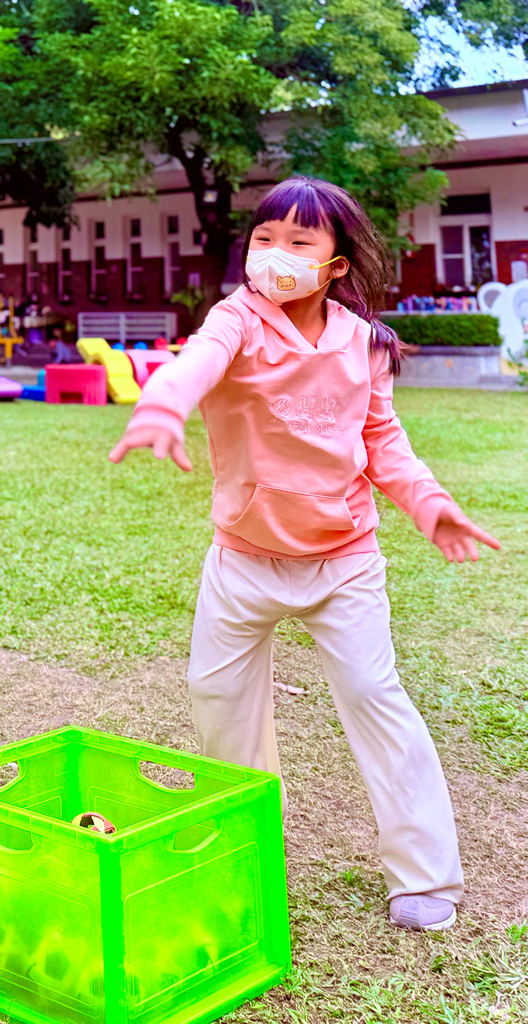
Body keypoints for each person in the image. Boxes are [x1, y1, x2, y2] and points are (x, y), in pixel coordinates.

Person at [109, 177, 500, 934]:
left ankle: (423, 876)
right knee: (219, 702)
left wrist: (429, 504)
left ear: (335, 265)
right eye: (263, 238)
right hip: (243, 558)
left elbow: (382, 441)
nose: (274, 254)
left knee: (374, 697)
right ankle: (245, 855)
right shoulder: (236, 319)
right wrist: (161, 406)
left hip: (342, 561)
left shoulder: (366, 344)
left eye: (298, 242)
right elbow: (195, 364)